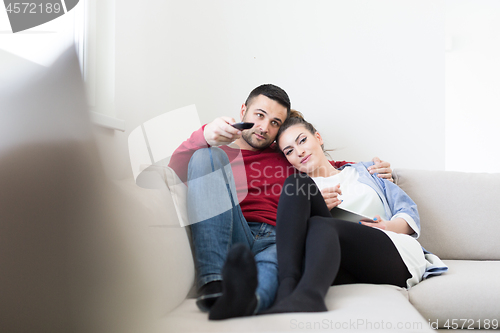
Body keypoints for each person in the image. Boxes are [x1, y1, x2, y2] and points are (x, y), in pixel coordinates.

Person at [168, 84, 394, 319]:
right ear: (243, 109)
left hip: (280, 236)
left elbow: (327, 166)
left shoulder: (287, 153)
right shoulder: (220, 155)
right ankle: (214, 285)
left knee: (276, 265)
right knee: (207, 155)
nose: (264, 128)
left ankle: (247, 302)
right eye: (260, 115)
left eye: (275, 122)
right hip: (235, 229)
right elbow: (175, 172)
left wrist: (372, 170)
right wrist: (205, 136)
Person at [264, 110, 448, 314]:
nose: (298, 152)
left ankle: (308, 296)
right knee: (298, 187)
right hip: (340, 260)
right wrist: (314, 208)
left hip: (390, 251)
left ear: (318, 137)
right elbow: (295, 237)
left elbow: (408, 210)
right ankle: (287, 289)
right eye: (289, 151)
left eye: (302, 140)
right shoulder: (302, 192)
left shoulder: (368, 171)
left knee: (321, 224)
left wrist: (388, 226)